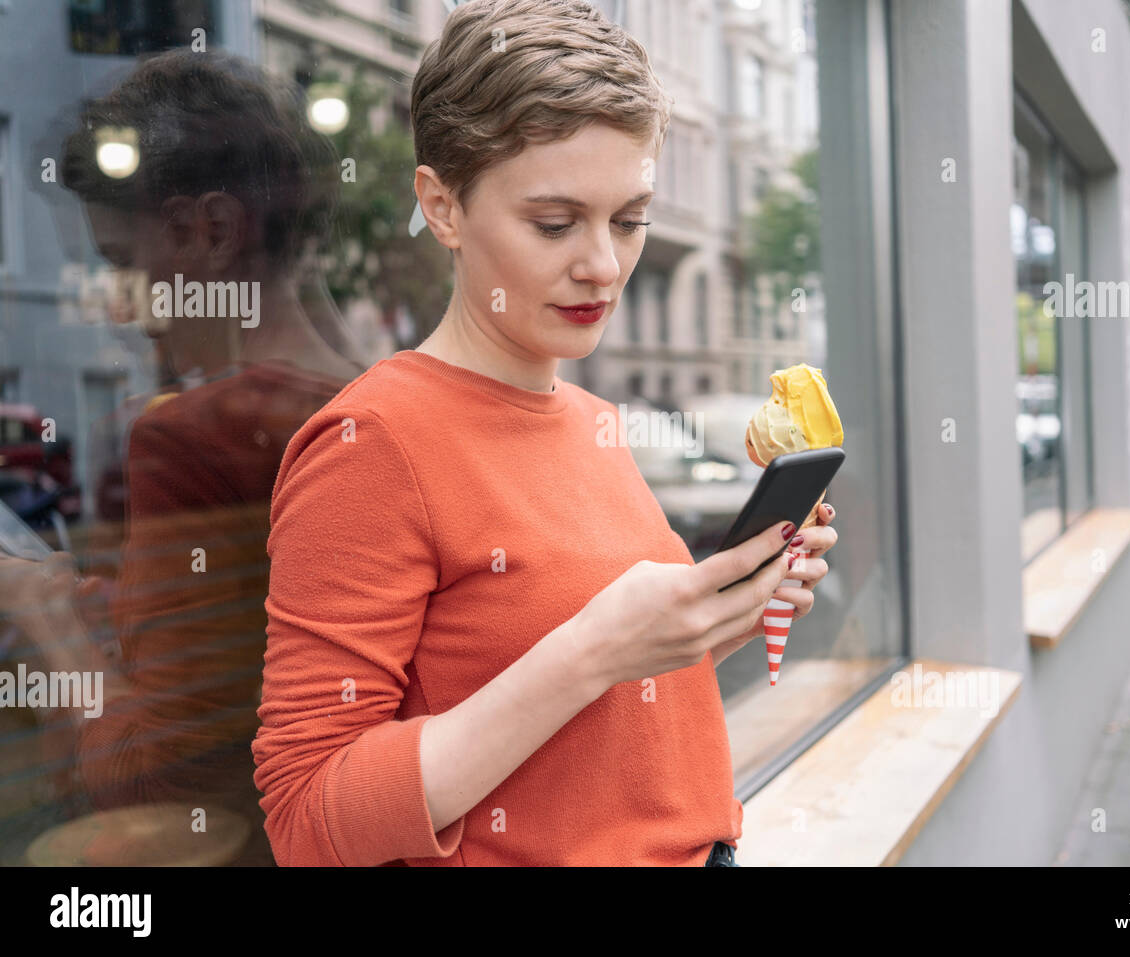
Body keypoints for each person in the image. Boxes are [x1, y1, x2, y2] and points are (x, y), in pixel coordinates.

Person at [250, 0, 840, 867]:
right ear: (442, 207)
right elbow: (307, 817)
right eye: (555, 223)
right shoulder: (372, 442)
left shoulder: (593, 418)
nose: (602, 263)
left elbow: (591, 726)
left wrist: (713, 621)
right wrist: (596, 650)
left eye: (629, 219)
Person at [0, 50, 362, 865]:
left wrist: (40, 608)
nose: (125, 309)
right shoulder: (375, 401)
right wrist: (100, 602)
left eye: (126, 259)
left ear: (212, 232)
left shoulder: (194, 435)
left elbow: (153, 787)